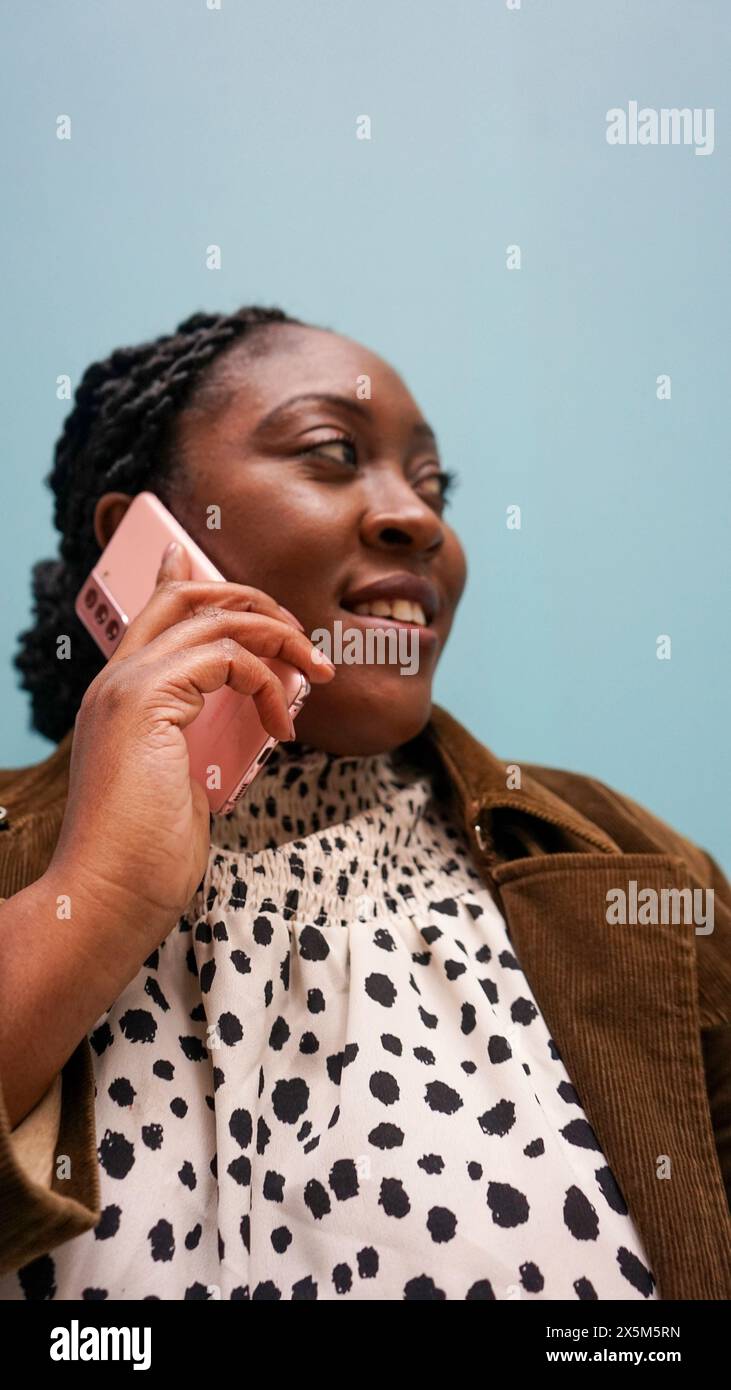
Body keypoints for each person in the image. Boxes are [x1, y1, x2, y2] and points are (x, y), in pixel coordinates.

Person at [0, 307, 728, 1301]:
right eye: (331, 454)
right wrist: (105, 889)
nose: (417, 519)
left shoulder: (634, 865)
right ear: (144, 543)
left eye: (435, 487)